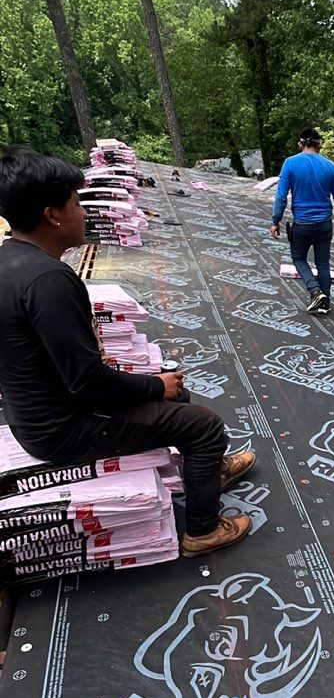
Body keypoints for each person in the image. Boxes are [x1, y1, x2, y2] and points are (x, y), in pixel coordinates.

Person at [0, 146, 255, 558]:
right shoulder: (48, 280)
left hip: (36, 417)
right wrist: (154, 386)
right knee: (204, 426)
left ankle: (208, 471)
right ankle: (203, 531)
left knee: (175, 392)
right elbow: (87, 382)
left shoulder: (9, 262)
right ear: (52, 215)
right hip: (64, 429)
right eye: (76, 203)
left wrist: (156, 386)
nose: (83, 212)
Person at [270, 127, 334, 314]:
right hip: (325, 224)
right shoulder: (330, 166)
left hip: (303, 224)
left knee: (298, 258)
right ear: (319, 145)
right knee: (323, 263)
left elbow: (281, 197)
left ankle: (315, 292)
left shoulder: (290, 163)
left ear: (300, 144)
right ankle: (326, 301)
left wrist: (276, 220)